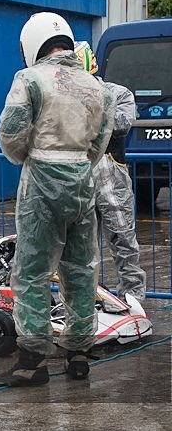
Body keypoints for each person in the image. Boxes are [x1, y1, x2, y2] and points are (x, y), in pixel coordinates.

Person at [0, 13, 115, 387]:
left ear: (33, 44)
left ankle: (32, 361)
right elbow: (100, 142)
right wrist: (75, 162)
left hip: (42, 180)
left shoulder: (28, 80)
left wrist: (35, 155)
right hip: (81, 181)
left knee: (31, 273)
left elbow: (10, 134)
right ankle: (78, 355)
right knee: (81, 270)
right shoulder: (98, 87)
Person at [74, 41, 146, 302]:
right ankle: (83, 300)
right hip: (79, 172)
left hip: (111, 172)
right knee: (80, 245)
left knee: (124, 238)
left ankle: (133, 298)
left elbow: (122, 123)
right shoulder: (64, 98)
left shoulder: (118, 93)